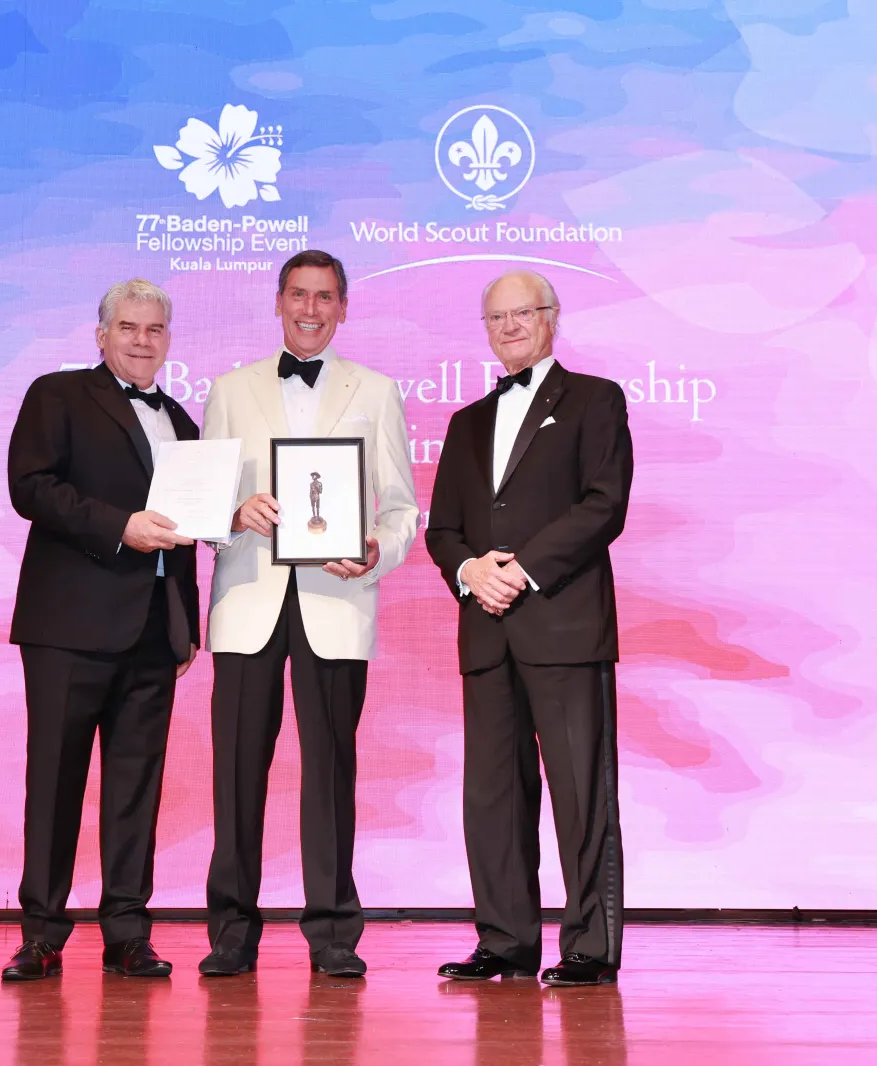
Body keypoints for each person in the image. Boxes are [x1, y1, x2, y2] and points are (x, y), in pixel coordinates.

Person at [197, 249, 418, 978]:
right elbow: (203, 505)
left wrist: (374, 551)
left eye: (325, 297)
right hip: (247, 601)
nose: (310, 309)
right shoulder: (229, 390)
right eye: (298, 294)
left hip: (336, 598)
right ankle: (231, 931)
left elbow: (401, 508)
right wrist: (233, 514)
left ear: (343, 307)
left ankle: (332, 934)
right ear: (278, 301)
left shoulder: (376, 391)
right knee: (237, 773)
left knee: (330, 772)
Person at [424, 269, 633, 987]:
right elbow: (443, 529)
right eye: (496, 317)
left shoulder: (595, 400)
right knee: (492, 797)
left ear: (551, 317)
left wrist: (522, 570)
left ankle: (589, 948)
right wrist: (469, 570)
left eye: (523, 312)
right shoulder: (466, 422)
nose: (510, 326)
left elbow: (603, 504)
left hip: (564, 625)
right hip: (486, 632)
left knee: (581, 793)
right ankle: (505, 942)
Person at [1, 278, 200, 981]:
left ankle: (127, 932)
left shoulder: (182, 421)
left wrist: (186, 623)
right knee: (54, 781)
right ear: (101, 335)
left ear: (168, 339)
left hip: (153, 629)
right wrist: (120, 526)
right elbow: (30, 486)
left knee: (137, 787)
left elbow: (187, 530)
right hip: (68, 626)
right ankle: (41, 933)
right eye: (128, 327)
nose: (142, 340)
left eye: (154, 329)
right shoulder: (56, 395)